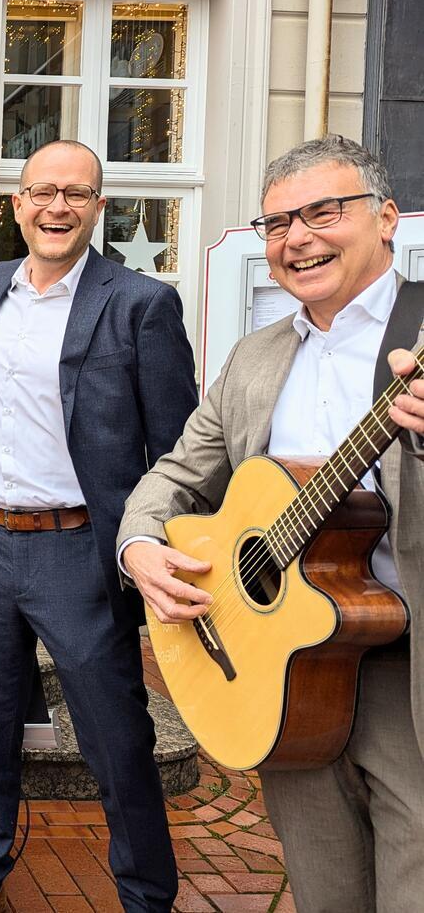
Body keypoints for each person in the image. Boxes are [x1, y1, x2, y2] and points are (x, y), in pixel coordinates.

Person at [120, 135, 424, 912]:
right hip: (287, 674)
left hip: (408, 670)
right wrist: (140, 544)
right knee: (326, 893)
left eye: (324, 211)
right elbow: (176, 475)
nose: (298, 238)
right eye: (279, 222)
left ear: (386, 218)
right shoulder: (254, 357)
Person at [0, 140, 196, 912]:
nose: (58, 207)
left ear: (98, 207)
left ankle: (146, 897)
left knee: (117, 740)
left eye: (76, 194)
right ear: (16, 204)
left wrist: (156, 546)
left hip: (81, 551)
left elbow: (179, 451)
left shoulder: (141, 303)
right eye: (43, 192)